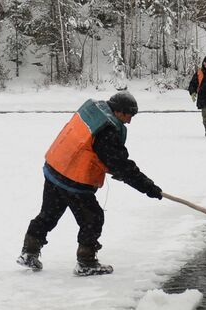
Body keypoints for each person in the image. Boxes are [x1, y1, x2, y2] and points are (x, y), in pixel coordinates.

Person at [18, 91, 162, 275]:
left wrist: (113, 168)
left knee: (49, 213)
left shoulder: (94, 112)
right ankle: (86, 261)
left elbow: (92, 148)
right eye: (128, 115)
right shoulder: (107, 130)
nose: (129, 121)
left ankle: (29, 252)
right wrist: (148, 187)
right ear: (119, 111)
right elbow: (121, 164)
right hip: (73, 179)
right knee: (92, 218)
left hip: (55, 168)